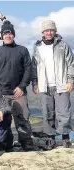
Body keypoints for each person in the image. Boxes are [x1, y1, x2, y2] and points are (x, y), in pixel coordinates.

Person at [0, 20, 35, 151]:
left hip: (18, 92)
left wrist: (22, 86)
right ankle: (6, 143)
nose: (8, 36)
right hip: (2, 93)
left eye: (10, 33)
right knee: (4, 121)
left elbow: (29, 69)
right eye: (5, 34)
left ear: (14, 35)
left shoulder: (22, 50)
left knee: (22, 119)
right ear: (2, 36)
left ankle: (26, 144)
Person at [31, 20, 74, 148]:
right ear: (42, 32)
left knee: (64, 112)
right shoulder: (37, 47)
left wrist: (70, 80)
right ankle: (51, 139)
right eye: (46, 30)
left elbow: (71, 64)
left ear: (55, 31)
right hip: (44, 85)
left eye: (51, 30)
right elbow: (34, 67)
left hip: (61, 84)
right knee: (47, 113)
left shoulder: (63, 45)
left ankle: (65, 137)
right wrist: (35, 84)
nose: (49, 33)